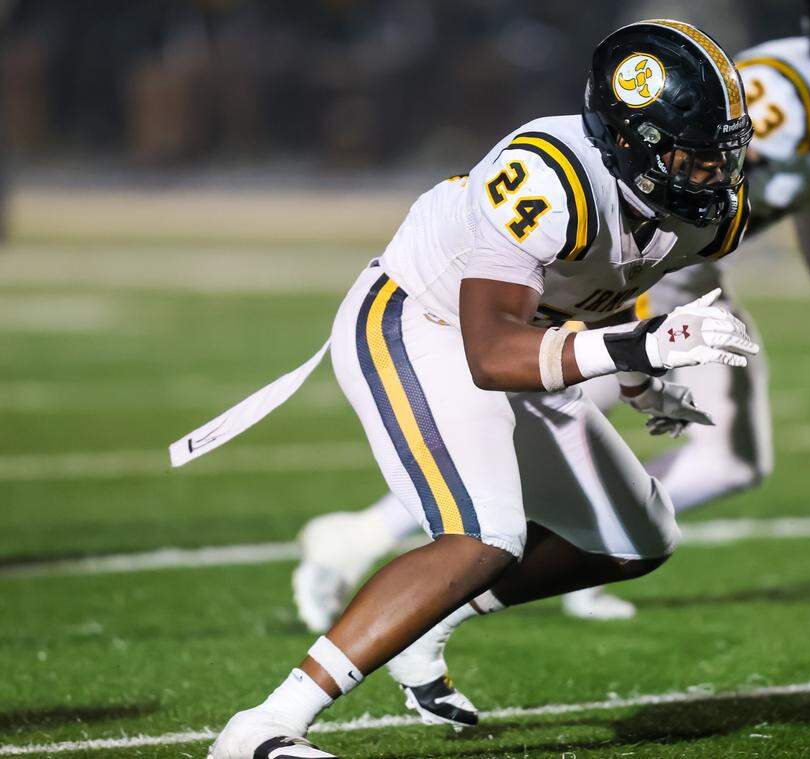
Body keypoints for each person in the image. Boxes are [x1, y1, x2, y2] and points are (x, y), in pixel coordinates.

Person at [181, 20, 762, 758]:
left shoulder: (709, 216)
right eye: (693, 155)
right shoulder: (549, 177)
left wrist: (640, 379)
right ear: (630, 143)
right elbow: (489, 353)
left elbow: (609, 281)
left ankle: (426, 623)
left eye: (723, 152)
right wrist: (641, 346)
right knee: (484, 534)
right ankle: (263, 726)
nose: (716, 174)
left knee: (638, 536)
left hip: (530, 339)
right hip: (423, 320)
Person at [293, 0, 810, 634]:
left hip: (675, 272)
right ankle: (533, 549)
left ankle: (496, 544)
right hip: (659, 274)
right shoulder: (780, 97)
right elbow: (667, 193)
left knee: (610, 430)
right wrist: (639, 328)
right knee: (605, 423)